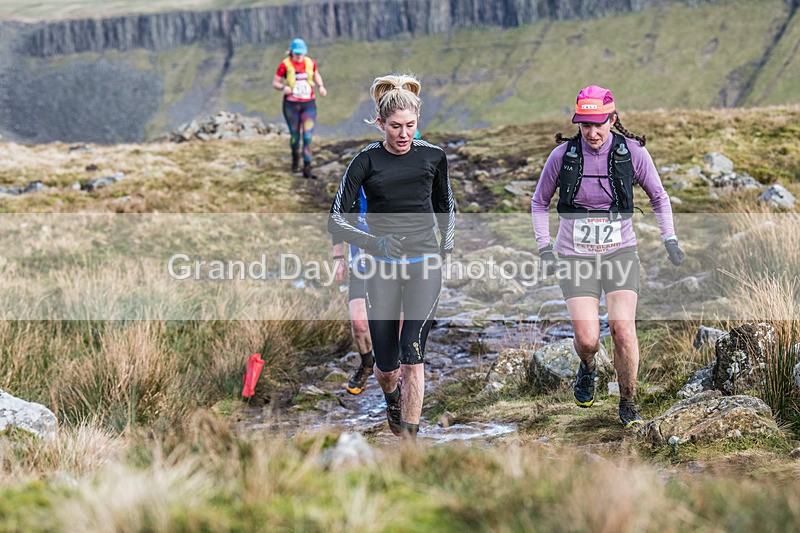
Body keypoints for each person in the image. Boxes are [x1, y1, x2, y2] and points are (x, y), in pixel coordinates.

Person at [531, 85, 684, 428]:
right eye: (585, 124)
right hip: (574, 256)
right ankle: (587, 368)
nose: (593, 132)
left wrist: (669, 238)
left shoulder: (632, 153)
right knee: (587, 339)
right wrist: (544, 246)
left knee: (622, 330)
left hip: (620, 252)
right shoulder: (563, 156)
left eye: (599, 123)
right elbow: (539, 201)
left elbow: (659, 197)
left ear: (613, 119)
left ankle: (628, 400)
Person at [328, 74, 454, 440]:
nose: (403, 134)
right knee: (387, 369)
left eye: (410, 126)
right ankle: (390, 396)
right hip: (380, 269)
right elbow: (337, 218)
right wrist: (372, 244)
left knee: (412, 355)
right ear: (380, 123)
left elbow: (445, 206)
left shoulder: (433, 156)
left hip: (423, 266)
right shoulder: (365, 162)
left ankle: (410, 447)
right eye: (395, 126)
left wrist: (444, 250)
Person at [332, 187, 374, 395]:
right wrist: (338, 257)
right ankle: (367, 364)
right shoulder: (354, 189)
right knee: (359, 324)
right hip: (361, 269)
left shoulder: (397, 182)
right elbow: (337, 218)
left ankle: (401, 372)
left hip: (395, 270)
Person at [272, 38, 327, 179]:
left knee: (308, 137)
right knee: (295, 136)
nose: (299, 56)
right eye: (296, 54)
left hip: (308, 104)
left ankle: (307, 168)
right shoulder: (285, 65)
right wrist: (283, 87)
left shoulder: (310, 62)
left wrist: (320, 86)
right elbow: (275, 82)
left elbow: (315, 74)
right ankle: (295, 159)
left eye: (301, 53)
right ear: (291, 52)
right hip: (291, 105)